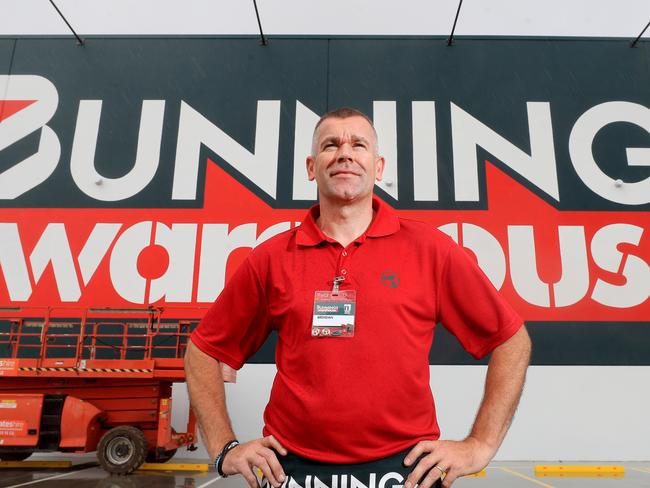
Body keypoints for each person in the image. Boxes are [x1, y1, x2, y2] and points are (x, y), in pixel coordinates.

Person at [185, 107, 531, 488]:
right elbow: (203, 351)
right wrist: (223, 447)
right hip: (293, 471)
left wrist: (480, 444)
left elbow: (511, 340)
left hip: (405, 470)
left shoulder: (431, 250)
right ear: (312, 167)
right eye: (331, 145)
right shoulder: (271, 258)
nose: (345, 153)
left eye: (358, 144)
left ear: (378, 166)